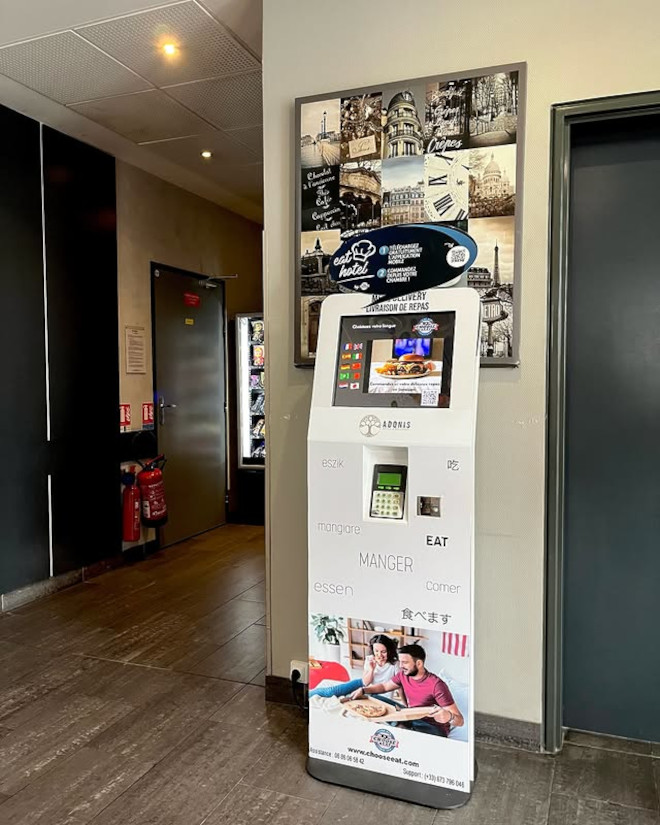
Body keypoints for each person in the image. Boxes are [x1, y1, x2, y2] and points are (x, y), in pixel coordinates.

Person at [349, 643, 464, 737]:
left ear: (419, 663)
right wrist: (363, 690)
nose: (400, 666)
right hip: (411, 715)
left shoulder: (437, 685)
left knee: (406, 726)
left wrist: (449, 716)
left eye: (404, 662)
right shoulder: (403, 675)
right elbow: (384, 687)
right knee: (374, 697)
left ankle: (401, 727)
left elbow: (460, 720)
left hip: (432, 727)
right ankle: (401, 726)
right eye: (400, 662)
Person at [309, 634, 400, 699]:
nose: (379, 655)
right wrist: (371, 669)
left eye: (383, 652)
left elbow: (399, 685)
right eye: (376, 651)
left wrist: (406, 704)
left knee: (343, 697)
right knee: (332, 691)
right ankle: (308, 694)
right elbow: (365, 682)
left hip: (379, 697)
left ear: (389, 651)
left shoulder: (395, 664)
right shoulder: (370, 659)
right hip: (364, 690)